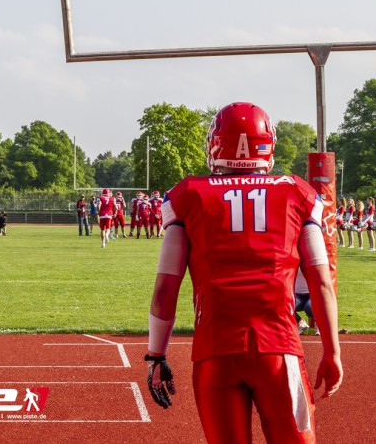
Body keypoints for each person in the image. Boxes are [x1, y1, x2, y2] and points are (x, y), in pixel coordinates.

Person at [145, 102, 342, 443]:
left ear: (216, 144)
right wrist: (332, 351)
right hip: (278, 348)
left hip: (214, 351)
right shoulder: (296, 191)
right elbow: (321, 283)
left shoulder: (189, 194)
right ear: (267, 146)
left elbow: (166, 288)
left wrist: (156, 355)